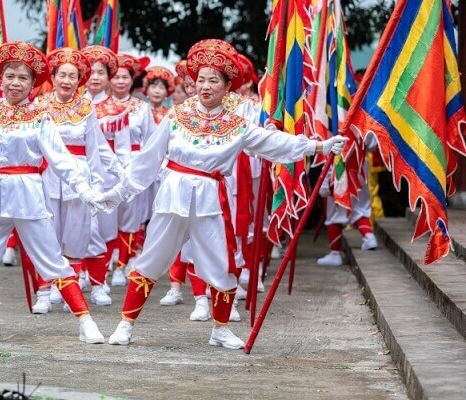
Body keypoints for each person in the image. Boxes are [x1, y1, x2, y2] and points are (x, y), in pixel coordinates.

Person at [99, 39, 347, 350]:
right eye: (200, 79)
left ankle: (220, 328)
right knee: (151, 259)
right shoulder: (177, 117)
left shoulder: (237, 125)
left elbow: (274, 143)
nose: (205, 86)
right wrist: (118, 193)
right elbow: (147, 161)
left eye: (213, 80)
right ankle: (125, 324)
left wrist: (319, 146)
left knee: (221, 264)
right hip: (173, 195)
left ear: (227, 86)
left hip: (210, 200)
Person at [0, 41, 106, 343]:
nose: (15, 82)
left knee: (53, 261)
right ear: (0, 80)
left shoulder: (40, 115)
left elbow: (61, 159)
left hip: (29, 197)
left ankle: (85, 320)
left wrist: (86, 190)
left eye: (23, 78)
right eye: (10, 76)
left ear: (32, 84)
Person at [32, 47, 122, 313]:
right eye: (62, 75)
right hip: (48, 176)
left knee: (77, 234)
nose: (67, 81)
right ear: (53, 76)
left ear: (79, 79)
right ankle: (44, 292)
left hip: (79, 176)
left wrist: (96, 184)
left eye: (73, 76)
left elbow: (94, 147)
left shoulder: (86, 107)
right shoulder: (40, 105)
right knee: (46, 234)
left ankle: (70, 290)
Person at [81, 45, 131, 305]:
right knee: (77, 228)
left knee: (106, 229)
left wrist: (125, 177)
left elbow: (122, 149)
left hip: (108, 177)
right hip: (78, 175)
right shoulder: (71, 106)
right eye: (90, 71)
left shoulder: (117, 109)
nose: (95, 77)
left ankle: (100, 279)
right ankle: (77, 275)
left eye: (101, 72)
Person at [109, 54, 154, 287]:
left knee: (129, 219)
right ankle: (95, 268)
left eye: (124, 77)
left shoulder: (141, 108)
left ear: (131, 79)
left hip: (134, 166)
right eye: (115, 77)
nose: (120, 81)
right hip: (105, 166)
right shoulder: (99, 107)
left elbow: (151, 140)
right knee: (104, 219)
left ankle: (121, 266)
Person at [317, 135, 379, 266]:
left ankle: (335, 253)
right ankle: (369, 236)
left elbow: (330, 150)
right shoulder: (363, 116)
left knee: (335, 213)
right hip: (359, 167)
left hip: (340, 168)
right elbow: (372, 145)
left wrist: (324, 181)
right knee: (359, 208)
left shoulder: (336, 117)